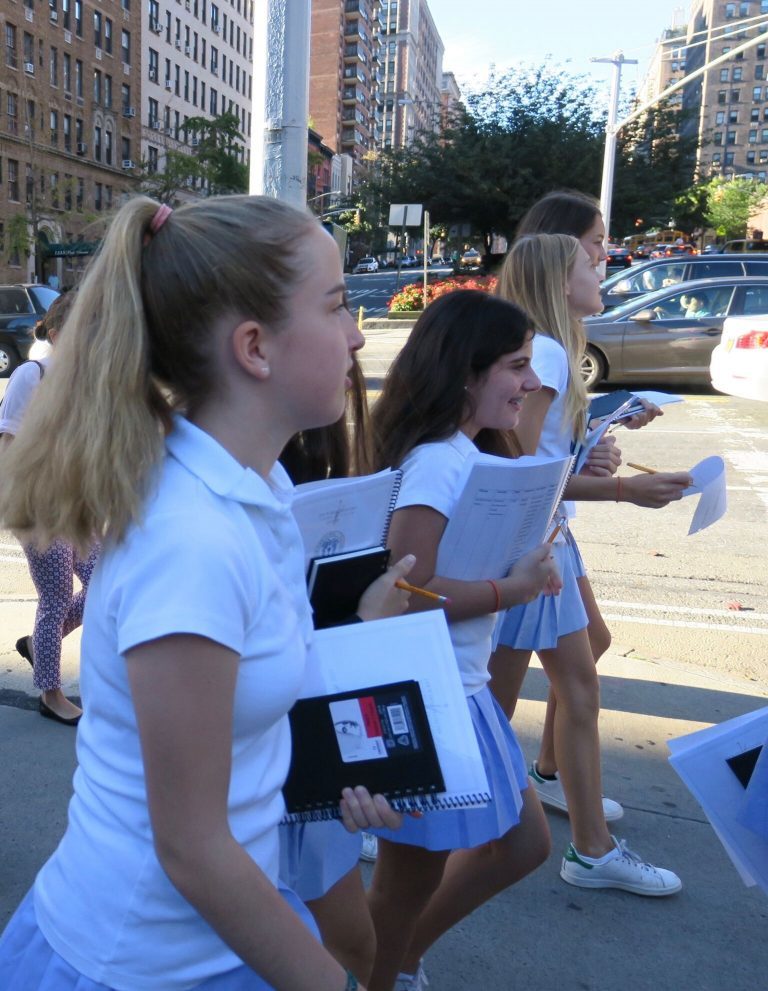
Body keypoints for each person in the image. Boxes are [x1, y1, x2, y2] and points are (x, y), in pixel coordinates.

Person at [0, 194, 412, 991]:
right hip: (142, 962)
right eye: (336, 306)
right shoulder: (191, 540)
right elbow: (190, 846)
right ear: (254, 347)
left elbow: (247, 705)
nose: (358, 334)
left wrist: (339, 763)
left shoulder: (257, 483)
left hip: (218, 933)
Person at [366, 289, 561, 991]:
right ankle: (378, 973)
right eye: (516, 365)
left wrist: (521, 564)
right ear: (466, 373)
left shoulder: (459, 451)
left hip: (457, 688)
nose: (532, 382)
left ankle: (394, 962)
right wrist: (515, 587)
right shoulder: (441, 460)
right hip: (429, 697)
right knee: (404, 884)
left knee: (524, 841)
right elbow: (408, 589)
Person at [489, 232, 690, 896]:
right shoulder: (544, 351)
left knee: (530, 691)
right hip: (532, 545)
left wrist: (605, 434)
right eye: (591, 257)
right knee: (514, 698)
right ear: (557, 280)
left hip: (541, 541)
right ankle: (584, 844)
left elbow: (545, 458)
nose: (602, 264)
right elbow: (519, 471)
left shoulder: (552, 348)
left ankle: (563, 818)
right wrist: (623, 487)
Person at [0, 292, 99, 726]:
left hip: (78, 505)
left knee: (105, 579)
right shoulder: (32, 375)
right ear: (58, 333)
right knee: (57, 594)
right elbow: (8, 448)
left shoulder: (89, 382)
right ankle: (50, 693)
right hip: (40, 506)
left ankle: (44, 648)